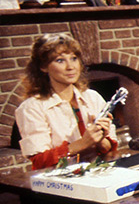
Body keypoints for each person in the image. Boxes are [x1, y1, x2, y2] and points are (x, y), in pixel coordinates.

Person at [15, 33, 118, 170]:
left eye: (74, 58)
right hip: (60, 179)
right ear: (43, 67)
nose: (70, 67)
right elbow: (40, 161)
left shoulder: (92, 97)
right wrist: (83, 143)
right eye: (60, 60)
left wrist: (100, 139)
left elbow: (109, 149)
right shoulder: (31, 108)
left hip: (99, 172)